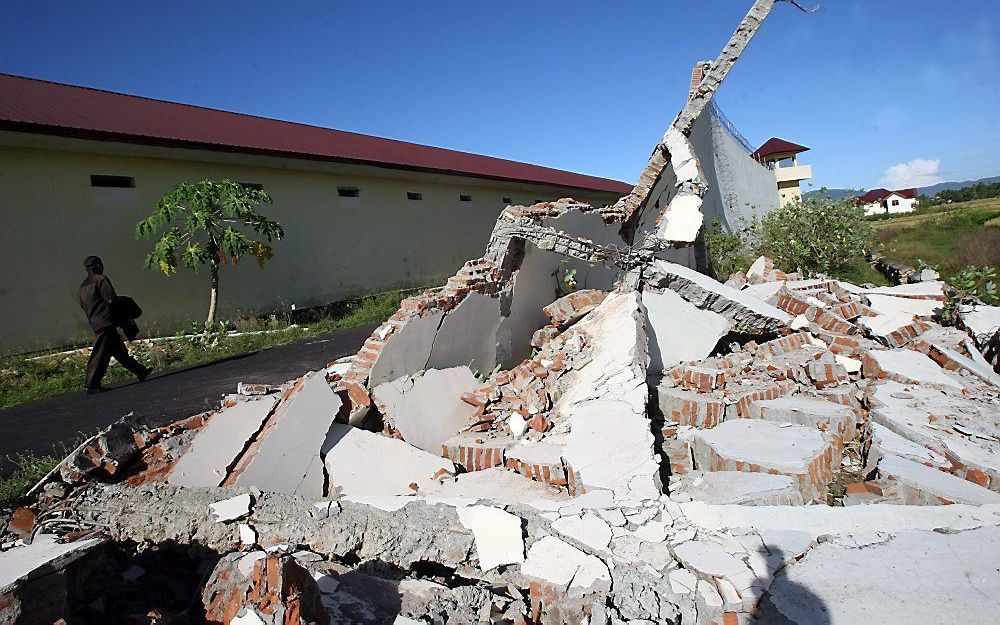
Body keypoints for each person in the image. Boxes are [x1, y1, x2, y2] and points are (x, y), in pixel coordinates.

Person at [79, 256, 152, 394]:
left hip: (95, 321)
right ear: (99, 266)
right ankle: (91, 383)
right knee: (99, 353)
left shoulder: (83, 286)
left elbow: (83, 305)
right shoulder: (101, 279)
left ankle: (140, 371)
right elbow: (111, 299)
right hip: (105, 321)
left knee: (119, 350)